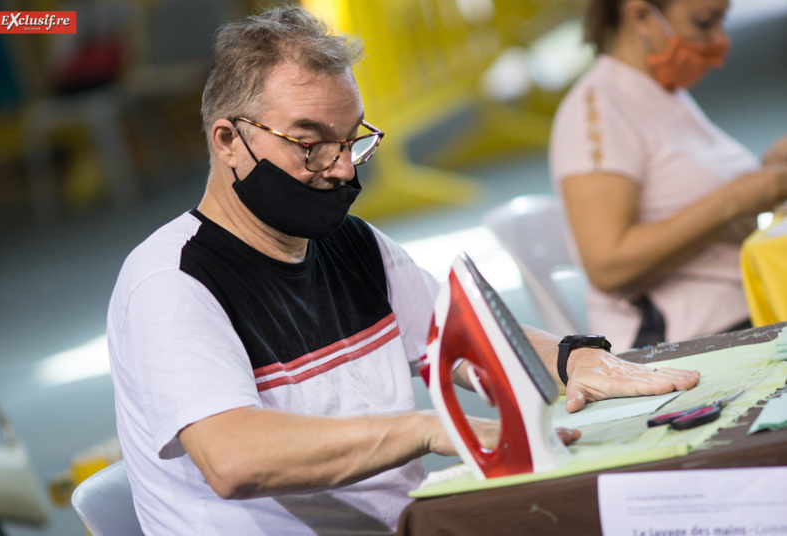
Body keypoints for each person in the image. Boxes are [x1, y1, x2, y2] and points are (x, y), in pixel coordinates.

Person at [107, 6, 700, 535]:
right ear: (228, 140)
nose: (341, 170)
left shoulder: (352, 244)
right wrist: (424, 429)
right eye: (310, 145)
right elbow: (233, 458)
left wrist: (575, 359)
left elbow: (471, 342)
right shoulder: (173, 282)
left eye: (351, 141)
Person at [549, 0, 787, 353]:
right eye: (705, 23)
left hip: (744, 314)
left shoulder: (661, 94)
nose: (719, 40)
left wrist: (765, 170)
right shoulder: (597, 109)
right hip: (688, 343)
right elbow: (607, 264)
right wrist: (738, 197)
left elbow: (683, 194)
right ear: (642, 15)